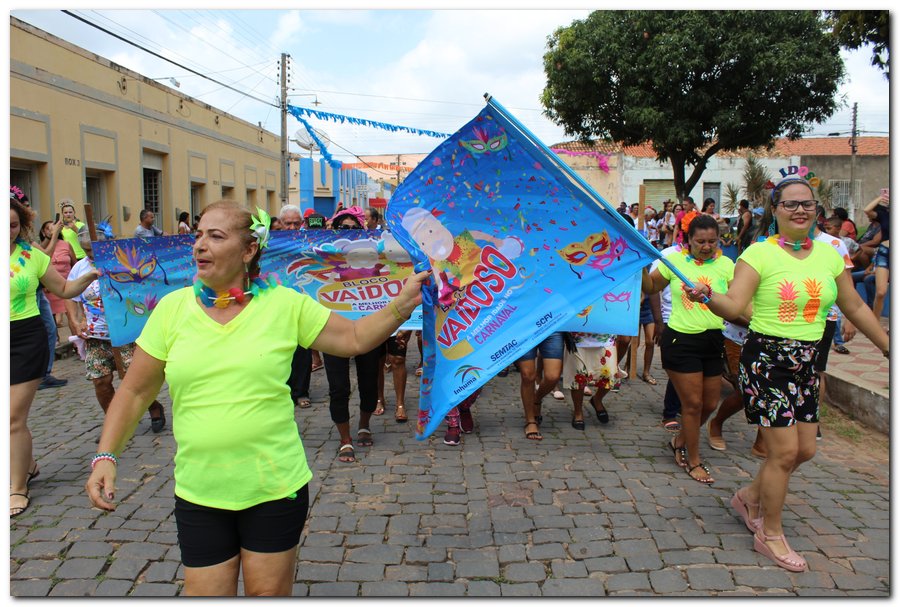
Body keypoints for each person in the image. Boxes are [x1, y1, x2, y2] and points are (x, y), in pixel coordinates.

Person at [84, 200, 427, 595]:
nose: (199, 245)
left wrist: (402, 304)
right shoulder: (172, 310)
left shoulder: (285, 304)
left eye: (216, 236)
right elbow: (134, 391)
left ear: (249, 250)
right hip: (200, 491)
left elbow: (351, 339)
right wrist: (106, 455)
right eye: (198, 235)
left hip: (275, 486)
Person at [686, 175, 889, 572]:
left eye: (807, 204)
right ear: (775, 211)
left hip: (809, 362)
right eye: (791, 204)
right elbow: (734, 306)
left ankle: (748, 495)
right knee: (784, 452)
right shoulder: (758, 254)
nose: (800, 210)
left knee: (806, 450)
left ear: (817, 210)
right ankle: (770, 533)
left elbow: (855, 306)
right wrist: (708, 296)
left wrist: (886, 344)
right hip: (768, 360)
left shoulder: (831, 254)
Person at [10, 197, 100, 517]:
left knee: (12, 418)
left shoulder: (32, 256)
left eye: (13, 225)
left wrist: (91, 275)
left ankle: (17, 486)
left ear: (22, 226)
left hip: (24, 339)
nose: (7, 231)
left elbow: (63, 288)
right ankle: (28, 464)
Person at [642, 214, 735, 484]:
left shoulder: (727, 265)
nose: (706, 247)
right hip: (680, 341)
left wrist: (712, 294)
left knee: (708, 404)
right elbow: (651, 287)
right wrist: (639, 267)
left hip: (714, 339)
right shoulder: (675, 262)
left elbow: (735, 300)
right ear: (688, 240)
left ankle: (680, 439)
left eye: (712, 241)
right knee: (692, 405)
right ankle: (693, 460)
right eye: (700, 242)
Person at [64, 231, 166, 431]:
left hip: (125, 333)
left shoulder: (121, 261)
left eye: (93, 250)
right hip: (96, 335)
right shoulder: (80, 267)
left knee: (134, 379)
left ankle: (154, 407)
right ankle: (116, 424)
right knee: (101, 381)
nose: (90, 255)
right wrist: (76, 321)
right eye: (86, 251)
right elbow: (70, 295)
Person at [321, 206, 388, 463]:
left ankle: (364, 424)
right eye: (342, 228)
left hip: (367, 328)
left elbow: (394, 281)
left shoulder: (376, 259)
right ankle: (345, 439)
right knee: (338, 387)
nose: (348, 232)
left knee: (369, 382)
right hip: (332, 330)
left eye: (353, 228)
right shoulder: (325, 261)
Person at [276, 205, 313, 408]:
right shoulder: (270, 242)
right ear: (280, 224)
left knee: (302, 348)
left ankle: (301, 392)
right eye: (287, 223)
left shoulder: (309, 242)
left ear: (302, 224)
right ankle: (282, 389)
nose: (291, 227)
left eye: (295, 223)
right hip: (276, 300)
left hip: (302, 299)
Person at [562, 332, 617, 429]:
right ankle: (578, 412)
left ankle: (597, 400)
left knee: (609, 376)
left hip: (605, 337)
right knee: (578, 377)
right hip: (578, 338)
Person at [516, 332, 564, 440]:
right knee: (527, 376)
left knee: (553, 377)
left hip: (552, 326)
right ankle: (530, 421)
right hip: (525, 328)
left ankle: (536, 400)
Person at [863, 191, 890, 321]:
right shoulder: (885, 214)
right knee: (880, 292)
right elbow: (867, 209)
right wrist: (881, 196)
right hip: (885, 252)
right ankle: (875, 323)